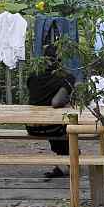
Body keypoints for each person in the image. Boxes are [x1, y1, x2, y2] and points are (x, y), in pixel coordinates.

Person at [26, 43, 74, 178]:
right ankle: (70, 162)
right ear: (60, 60)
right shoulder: (66, 77)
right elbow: (56, 102)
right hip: (53, 128)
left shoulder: (33, 76)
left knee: (56, 123)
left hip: (32, 127)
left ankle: (62, 163)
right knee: (66, 125)